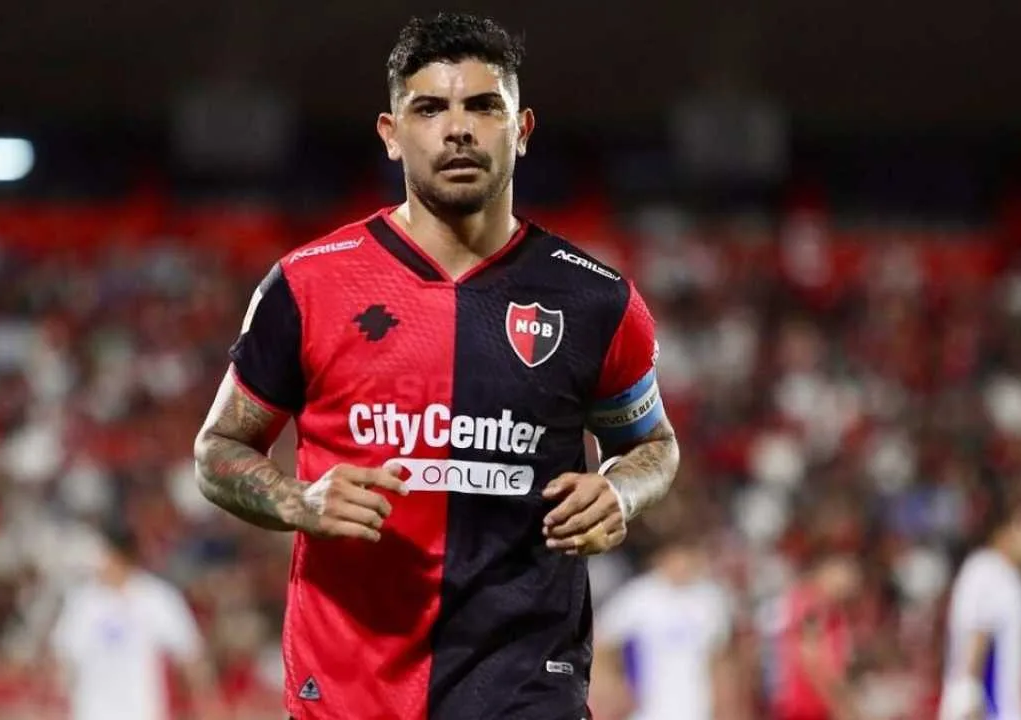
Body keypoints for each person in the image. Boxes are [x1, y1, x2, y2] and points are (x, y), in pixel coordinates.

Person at [193, 11, 680, 720]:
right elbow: (217, 450)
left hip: (525, 687)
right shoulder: (307, 285)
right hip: (350, 691)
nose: (458, 129)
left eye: (484, 106)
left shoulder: (595, 300)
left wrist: (620, 493)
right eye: (429, 109)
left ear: (522, 129)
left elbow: (653, 446)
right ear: (391, 134)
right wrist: (299, 502)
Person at [49, 524, 216, 720]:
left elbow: (190, 655)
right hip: (91, 713)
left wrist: (208, 707)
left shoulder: (156, 598)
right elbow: (63, 657)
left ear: (120, 557)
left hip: (141, 712)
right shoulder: (83, 602)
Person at [938, 484, 1021, 720]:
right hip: (987, 711)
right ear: (1007, 529)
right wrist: (967, 699)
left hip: (1008, 708)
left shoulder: (1011, 578)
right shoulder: (985, 570)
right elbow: (978, 635)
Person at [591, 527, 743, 720]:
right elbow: (600, 640)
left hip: (698, 711)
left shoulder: (710, 599)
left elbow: (721, 662)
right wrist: (615, 687)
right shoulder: (640, 596)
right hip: (649, 713)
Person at [767, 546, 863, 720]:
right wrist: (841, 706)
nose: (850, 579)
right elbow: (812, 661)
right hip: (803, 710)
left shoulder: (832, 610)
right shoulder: (811, 604)